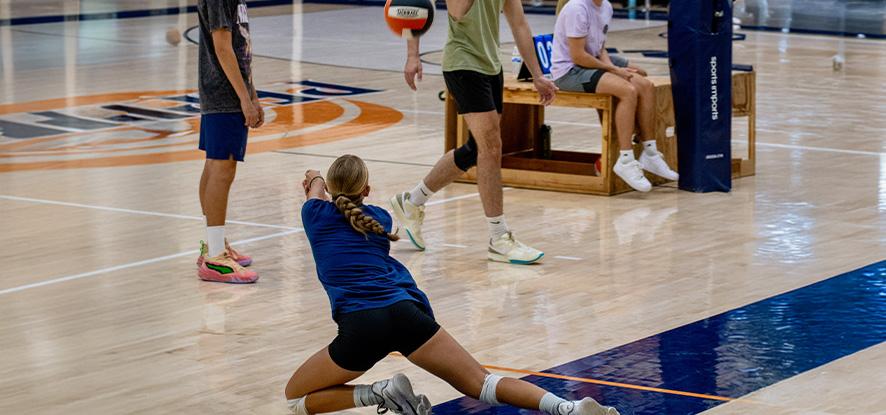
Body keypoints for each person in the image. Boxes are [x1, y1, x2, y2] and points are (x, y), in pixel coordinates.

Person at [284, 154, 620, 415]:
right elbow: (334, 199)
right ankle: (568, 408)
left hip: (362, 325)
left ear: (328, 189)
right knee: (481, 382)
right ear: (367, 191)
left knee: (296, 397)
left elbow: (315, 190)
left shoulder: (314, 215)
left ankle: (379, 392)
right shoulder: (379, 218)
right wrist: (322, 181)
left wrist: (314, 177)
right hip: (406, 313)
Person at [391, 0, 557, 265]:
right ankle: (499, 238)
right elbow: (452, 10)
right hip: (463, 64)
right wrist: (412, 56)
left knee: (475, 150)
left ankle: (412, 201)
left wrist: (537, 75)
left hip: (492, 66)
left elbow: (519, 24)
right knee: (491, 148)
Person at [550, 0, 678, 192]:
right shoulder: (577, 8)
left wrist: (615, 69)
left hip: (589, 63)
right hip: (569, 72)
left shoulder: (606, 7)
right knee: (627, 90)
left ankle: (650, 153)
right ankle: (625, 159)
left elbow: (600, 49)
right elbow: (578, 56)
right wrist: (613, 70)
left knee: (645, 85)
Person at [195, 0, 263, 283]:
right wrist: (243, 98)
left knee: (215, 164)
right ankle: (215, 259)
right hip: (224, 93)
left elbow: (240, 47)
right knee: (223, 168)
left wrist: (253, 93)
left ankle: (215, 245)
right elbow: (222, 47)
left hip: (227, 91)